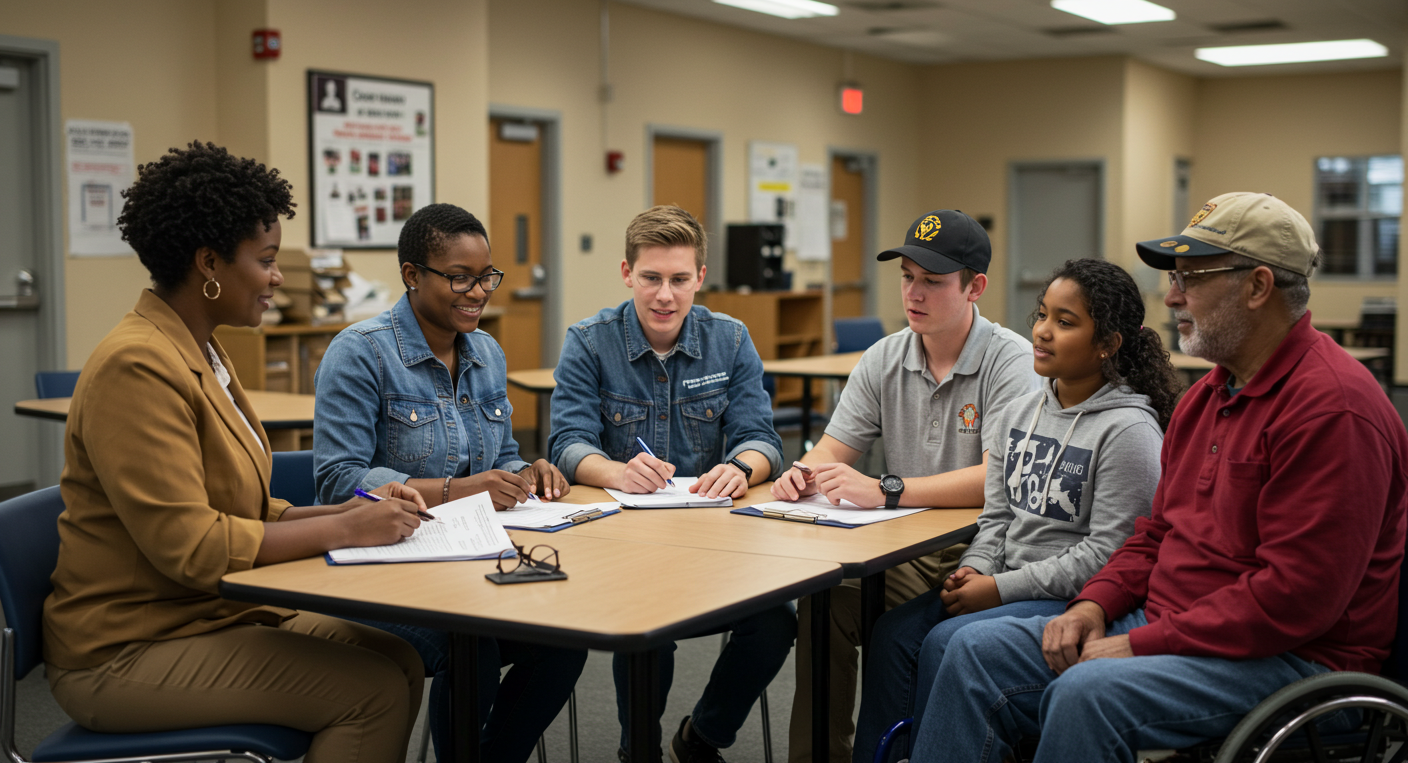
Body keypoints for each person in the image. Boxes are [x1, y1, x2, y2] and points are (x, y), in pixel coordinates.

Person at [911, 192, 1408, 763]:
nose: (1171, 296)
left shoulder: (1333, 410)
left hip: (1296, 662)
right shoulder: (1207, 398)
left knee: (1088, 695)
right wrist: (1093, 606)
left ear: (1258, 286)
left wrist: (1141, 643)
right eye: (1175, 279)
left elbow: (1295, 600)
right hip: (1176, 627)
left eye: (1191, 278)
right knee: (972, 652)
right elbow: (1154, 534)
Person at [42, 141, 427, 762]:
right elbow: (194, 547)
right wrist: (346, 531)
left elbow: (240, 509)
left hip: (204, 615)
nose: (277, 278)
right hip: (124, 649)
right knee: (372, 693)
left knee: (397, 658)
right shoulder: (136, 365)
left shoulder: (201, 349)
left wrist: (351, 513)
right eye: (267, 260)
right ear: (209, 262)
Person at [855, 258, 1180, 762]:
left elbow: (1109, 555)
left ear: (1107, 344)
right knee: (894, 635)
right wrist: (975, 567)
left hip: (1069, 596)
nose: (1043, 331)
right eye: (1042, 314)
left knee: (947, 641)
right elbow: (998, 517)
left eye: (1065, 322)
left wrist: (999, 589)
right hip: (1003, 580)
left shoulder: (1128, 432)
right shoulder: (1019, 413)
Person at [314, 203, 586, 763]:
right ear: (412, 275)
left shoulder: (486, 351)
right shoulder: (360, 352)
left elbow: (500, 455)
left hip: (469, 561)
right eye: (460, 278)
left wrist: (525, 473)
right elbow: (338, 481)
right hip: (382, 569)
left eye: (486, 276)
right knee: (472, 647)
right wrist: (455, 491)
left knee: (564, 638)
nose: (478, 292)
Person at [769, 210, 1038, 763]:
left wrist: (887, 489)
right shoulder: (885, 357)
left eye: (932, 281)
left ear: (975, 288)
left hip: (986, 550)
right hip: (904, 547)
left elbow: (997, 480)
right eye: (907, 277)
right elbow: (833, 448)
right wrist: (803, 473)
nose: (914, 293)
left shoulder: (1010, 361)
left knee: (900, 632)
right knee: (826, 600)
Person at [548, 205, 791, 763]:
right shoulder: (589, 341)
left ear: (700, 277)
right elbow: (567, 443)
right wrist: (615, 471)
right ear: (627, 273)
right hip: (620, 546)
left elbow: (761, 438)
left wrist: (741, 468)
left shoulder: (730, 339)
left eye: (679, 279)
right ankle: (639, 751)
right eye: (651, 278)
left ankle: (702, 736)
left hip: (713, 544)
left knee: (775, 622)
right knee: (648, 628)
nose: (665, 295)